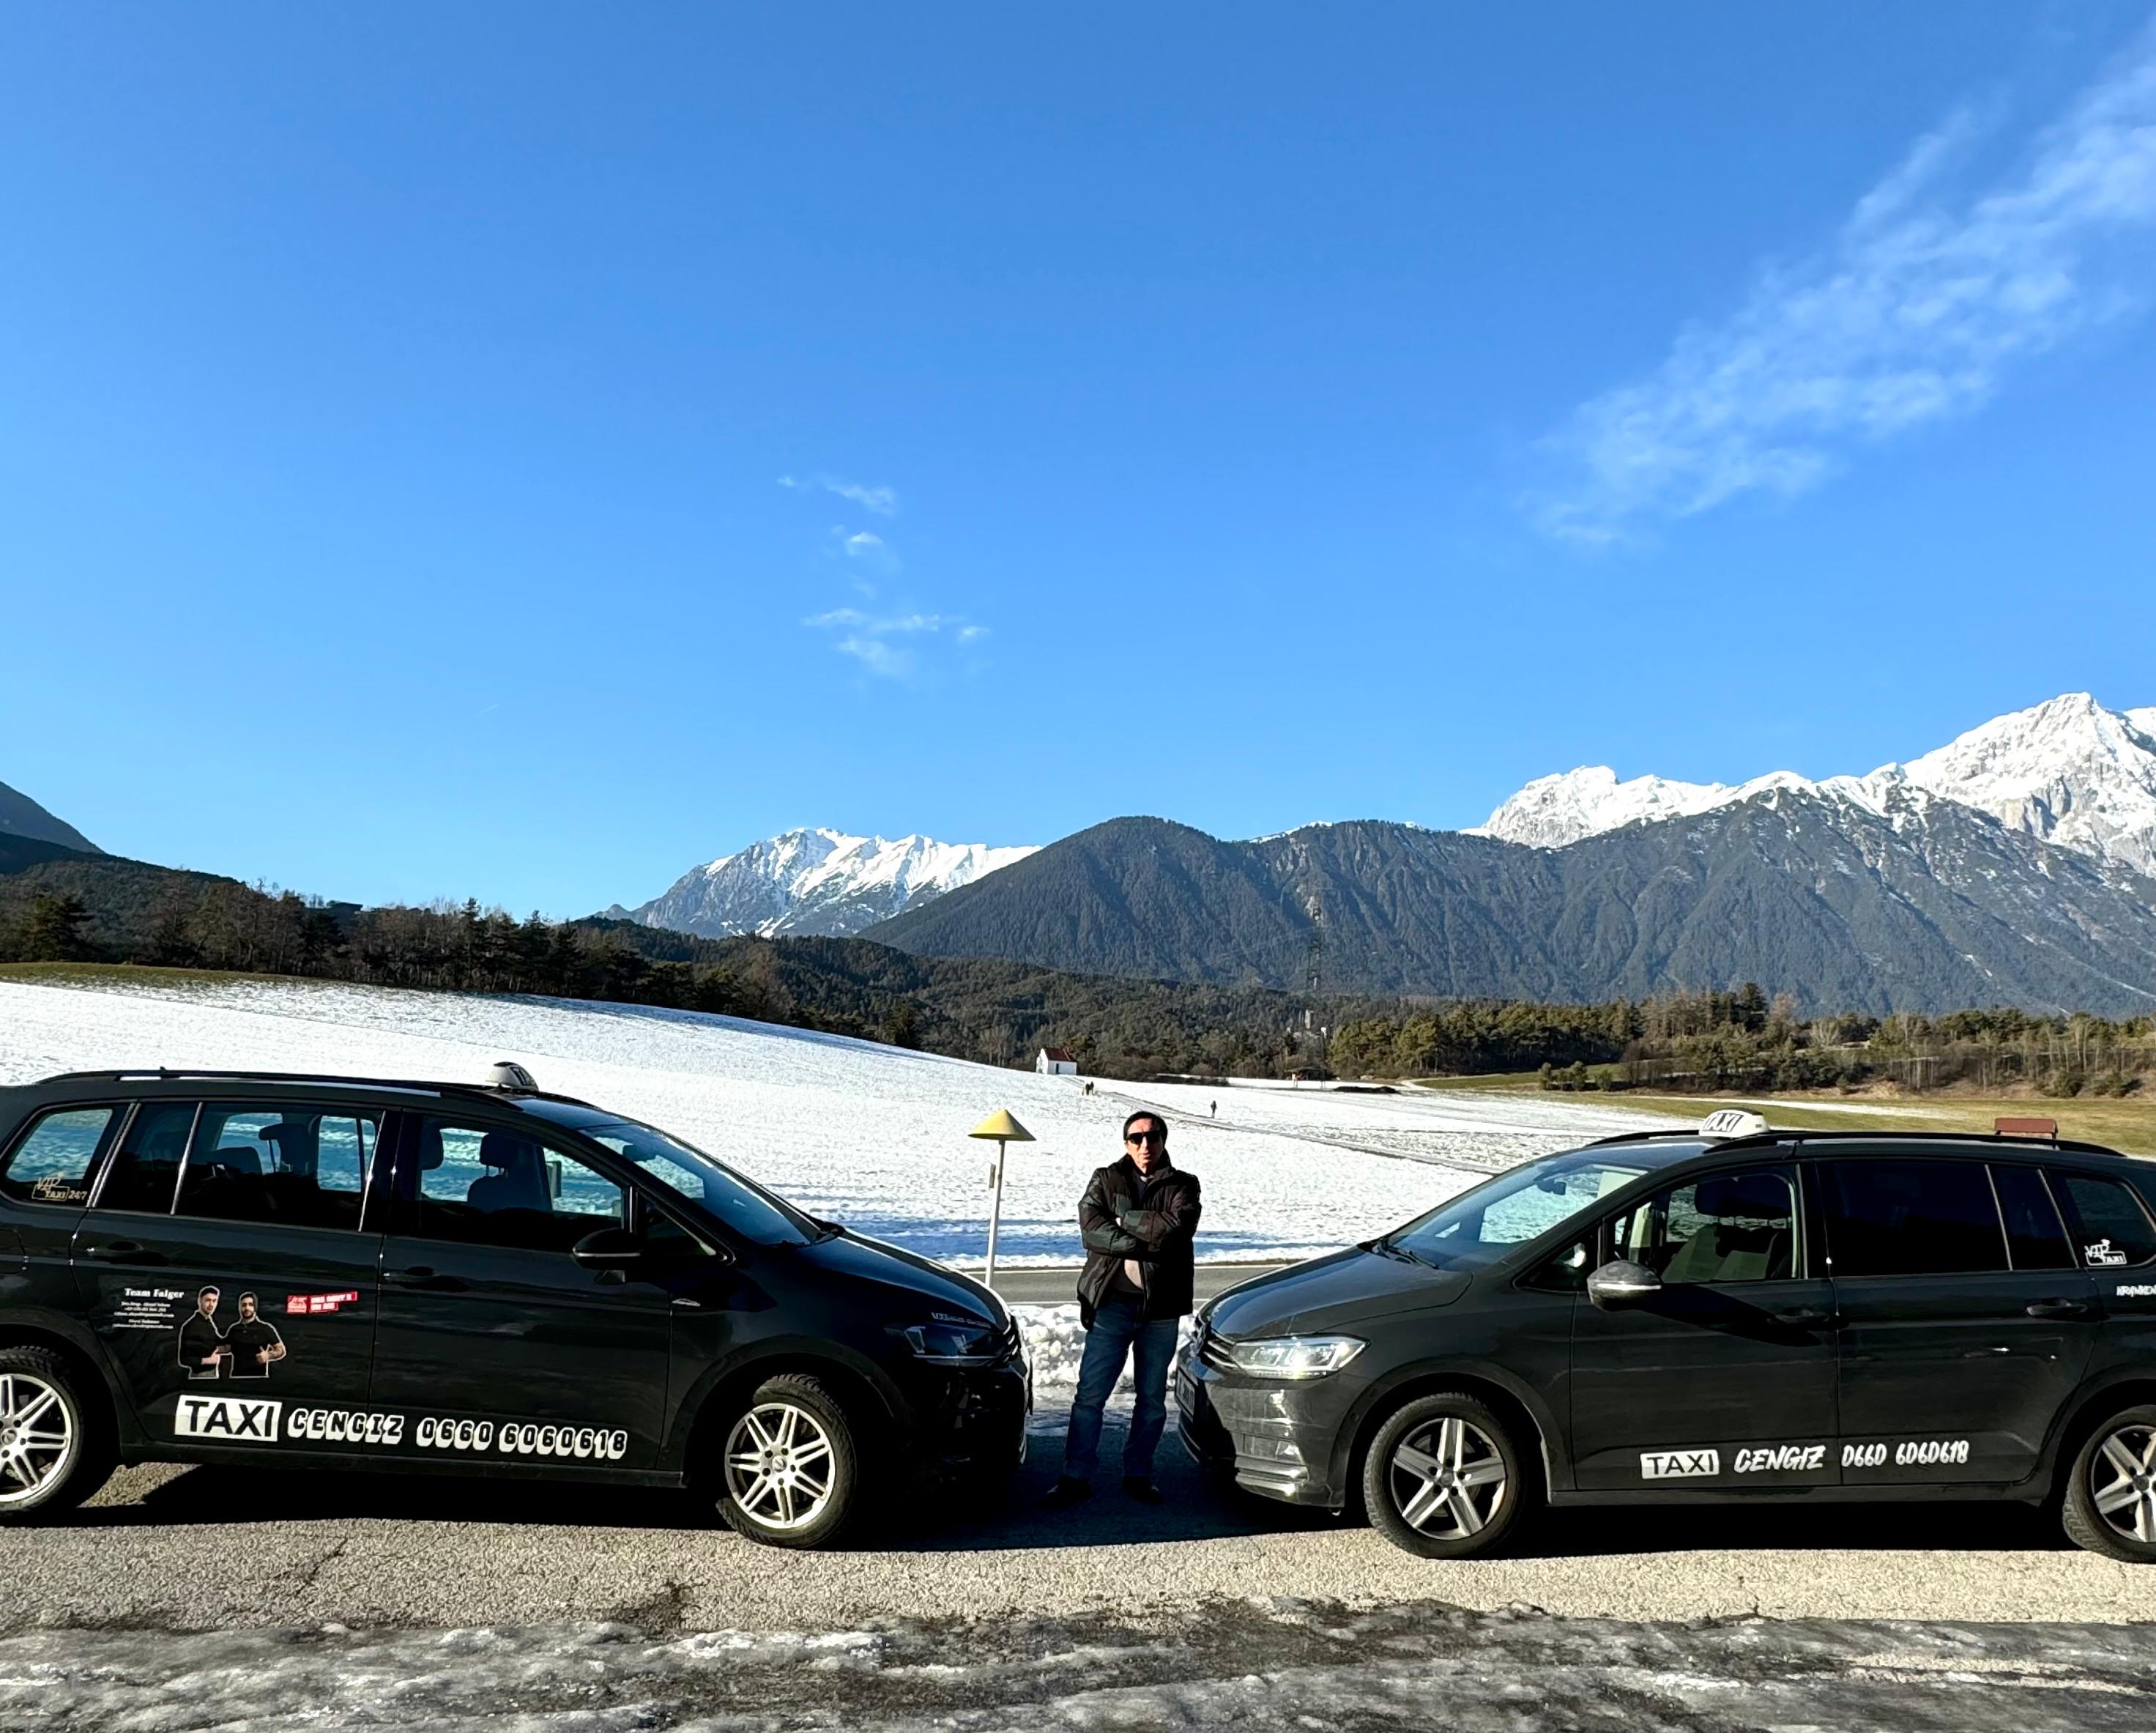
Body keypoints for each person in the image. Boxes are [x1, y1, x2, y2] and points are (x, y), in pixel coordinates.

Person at [1044, 1110, 1201, 1508]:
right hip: (1111, 1305)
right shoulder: (1105, 1178)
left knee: (1150, 1398)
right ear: (1125, 1142)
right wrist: (1139, 1239)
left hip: (1159, 1309)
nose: (1145, 1145)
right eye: (1136, 1137)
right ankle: (1075, 1475)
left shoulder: (1184, 1185)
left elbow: (1176, 1230)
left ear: (1164, 1140)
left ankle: (1138, 1474)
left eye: (1153, 1136)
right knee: (1090, 1395)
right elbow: (1090, 1228)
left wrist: (1122, 1221)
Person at [222, 1291, 287, 1379]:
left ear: (255, 1307)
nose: (247, 1308)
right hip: (236, 1379)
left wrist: (269, 1355)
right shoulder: (234, 1329)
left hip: (258, 1380)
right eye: (244, 1305)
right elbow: (226, 1348)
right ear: (240, 1308)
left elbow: (281, 1350)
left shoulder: (265, 1329)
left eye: (250, 1305)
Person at [177, 1286, 228, 1380]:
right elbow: (183, 1359)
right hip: (200, 1375)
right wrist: (208, 1361)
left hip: (212, 1373)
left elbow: (217, 1341)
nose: (211, 1304)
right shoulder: (191, 1326)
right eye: (208, 1300)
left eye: (214, 1301)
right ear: (200, 1301)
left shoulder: (208, 1321)